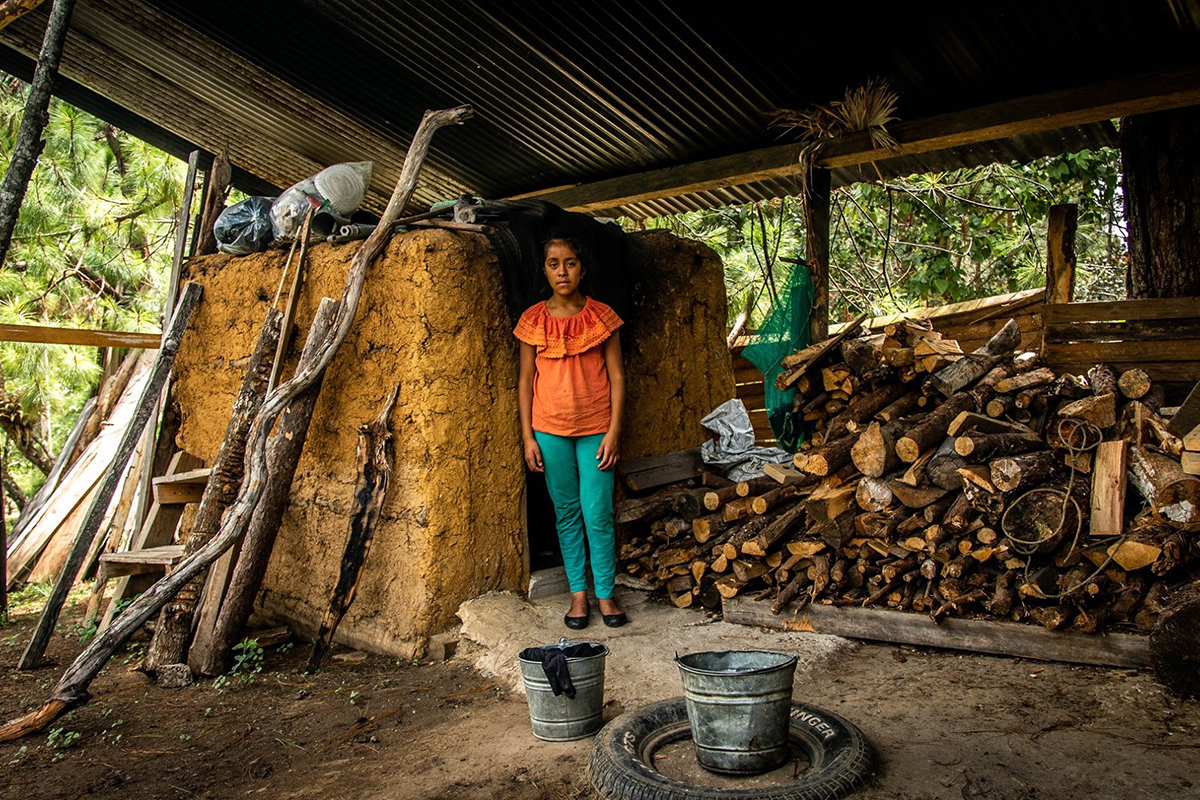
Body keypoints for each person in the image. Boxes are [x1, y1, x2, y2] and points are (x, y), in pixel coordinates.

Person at [514, 236, 628, 629]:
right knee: (566, 513)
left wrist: (614, 433)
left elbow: (616, 376)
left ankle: (606, 595)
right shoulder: (533, 320)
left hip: (597, 428)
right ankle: (578, 595)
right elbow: (526, 380)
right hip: (549, 430)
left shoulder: (602, 317)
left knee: (597, 512)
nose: (562, 271)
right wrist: (528, 436)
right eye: (553, 263)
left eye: (570, 263)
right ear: (544, 269)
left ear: (583, 267)